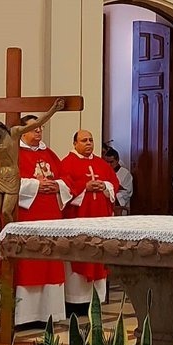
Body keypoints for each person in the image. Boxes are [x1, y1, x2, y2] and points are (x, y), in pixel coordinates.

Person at [0, 113, 73, 329]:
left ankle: (47, 314)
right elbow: (2, 179)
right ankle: (19, 317)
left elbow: (67, 178)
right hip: (24, 218)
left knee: (48, 265)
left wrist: (58, 186)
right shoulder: (8, 153)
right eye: (33, 128)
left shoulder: (50, 154)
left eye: (40, 128)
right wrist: (36, 186)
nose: (38, 131)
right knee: (26, 266)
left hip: (50, 220)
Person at [0, 98, 65, 235]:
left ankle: (10, 235)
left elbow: (38, 122)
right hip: (0, 176)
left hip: (12, 176)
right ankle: (0, 237)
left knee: (6, 211)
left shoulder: (14, 133)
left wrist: (53, 109)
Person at [61, 130, 119, 313]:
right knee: (79, 257)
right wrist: (84, 187)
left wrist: (104, 186)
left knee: (98, 258)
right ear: (75, 144)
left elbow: (114, 184)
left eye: (91, 140)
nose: (88, 143)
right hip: (78, 220)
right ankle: (75, 302)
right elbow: (64, 189)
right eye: (84, 140)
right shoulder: (67, 163)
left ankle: (96, 301)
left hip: (100, 221)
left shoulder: (101, 164)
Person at [102, 148, 133, 212]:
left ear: (117, 160)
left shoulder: (125, 173)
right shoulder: (103, 171)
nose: (109, 165)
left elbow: (128, 192)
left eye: (111, 162)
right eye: (107, 162)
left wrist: (114, 193)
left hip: (119, 204)